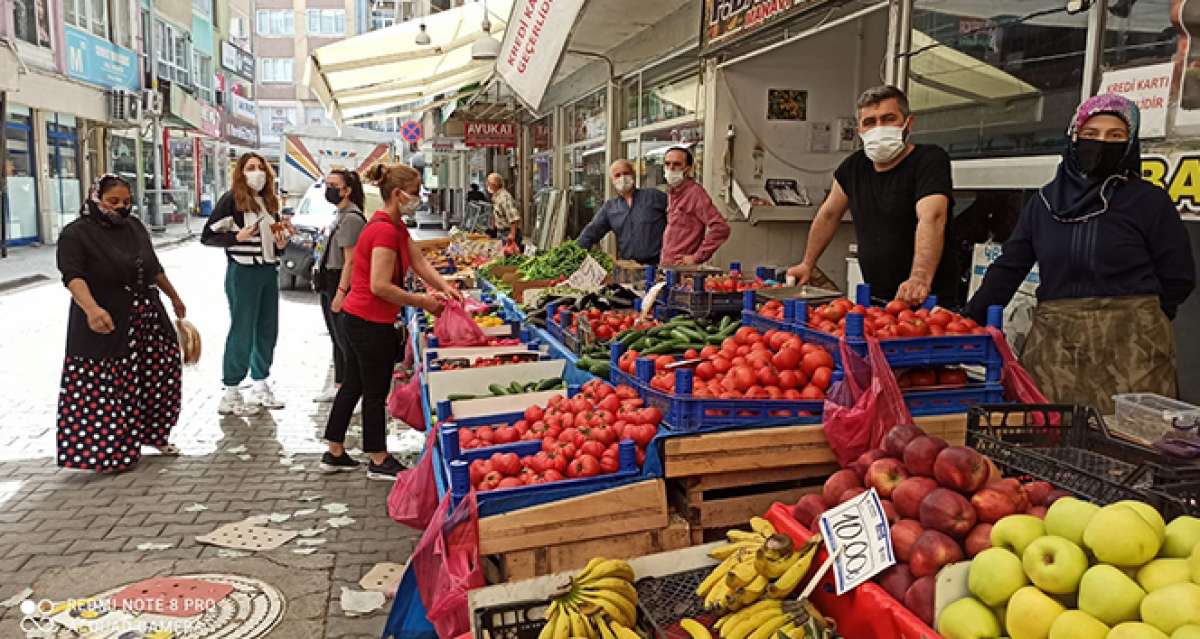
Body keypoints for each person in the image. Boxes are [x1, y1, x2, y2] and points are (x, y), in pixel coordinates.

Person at [965, 94, 1196, 413]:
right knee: (1053, 439)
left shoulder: (1149, 201)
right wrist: (966, 323)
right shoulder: (1044, 203)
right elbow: (1008, 270)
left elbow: (1179, 275)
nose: (1101, 143)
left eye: (1115, 136)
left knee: (1133, 444)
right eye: (1091, 134)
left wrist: (1144, 317)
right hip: (1057, 350)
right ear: (1073, 137)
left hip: (1134, 350)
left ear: (1130, 144)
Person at [320, 162, 464, 479]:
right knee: (373, 392)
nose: (418, 199)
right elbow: (380, 286)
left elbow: (418, 260)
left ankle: (334, 451)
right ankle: (378, 458)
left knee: (354, 385)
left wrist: (444, 287)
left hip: (357, 319)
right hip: (368, 322)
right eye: (414, 194)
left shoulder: (393, 225)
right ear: (398, 194)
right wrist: (422, 301)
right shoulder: (384, 230)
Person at [55, 174, 186, 472]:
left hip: (145, 314)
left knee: (161, 372)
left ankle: (154, 433)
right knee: (112, 383)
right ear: (95, 197)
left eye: (126, 202)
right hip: (106, 317)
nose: (120, 208)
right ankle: (112, 450)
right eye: (113, 201)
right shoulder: (76, 234)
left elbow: (153, 267)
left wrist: (174, 297)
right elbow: (72, 276)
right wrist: (91, 309)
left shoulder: (135, 227)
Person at [786, 85, 956, 305]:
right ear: (859, 130)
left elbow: (932, 216)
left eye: (888, 119)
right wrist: (807, 263)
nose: (879, 128)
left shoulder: (929, 160)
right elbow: (829, 214)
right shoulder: (853, 167)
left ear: (908, 124)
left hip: (928, 298)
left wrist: (919, 277)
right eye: (870, 122)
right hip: (878, 298)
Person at [202, 152, 293, 415]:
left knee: (267, 328)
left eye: (260, 167)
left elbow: (275, 242)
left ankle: (260, 383)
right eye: (251, 167)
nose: (257, 172)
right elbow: (208, 236)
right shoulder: (232, 200)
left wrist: (281, 245)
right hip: (243, 271)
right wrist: (236, 236)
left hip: (267, 270)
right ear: (241, 172)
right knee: (242, 329)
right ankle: (231, 390)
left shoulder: (269, 202)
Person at [313, 169, 367, 403]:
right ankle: (340, 384)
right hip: (328, 281)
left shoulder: (352, 218)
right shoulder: (338, 214)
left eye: (334, 185)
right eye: (327, 184)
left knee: (346, 338)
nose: (329, 189)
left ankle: (354, 390)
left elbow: (351, 260)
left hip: (339, 281)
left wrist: (342, 292)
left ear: (347, 190)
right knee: (336, 337)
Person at [577, 159, 669, 265]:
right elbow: (592, 232)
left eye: (626, 173)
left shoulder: (654, 197)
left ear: (633, 175)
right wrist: (575, 254)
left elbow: (678, 221)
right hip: (629, 267)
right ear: (612, 181)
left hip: (659, 265)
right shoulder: (610, 208)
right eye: (617, 175)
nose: (623, 178)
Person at [660, 147, 730, 265]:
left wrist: (696, 257)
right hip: (667, 267)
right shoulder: (673, 193)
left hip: (684, 271)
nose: (671, 168)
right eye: (667, 164)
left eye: (676, 164)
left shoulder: (695, 193)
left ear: (688, 169)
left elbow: (721, 228)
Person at [487, 173, 521, 243]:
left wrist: (512, 234)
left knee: (508, 253)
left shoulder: (504, 197)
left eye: (489, 183)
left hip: (507, 232)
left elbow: (513, 217)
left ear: (494, 184)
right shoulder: (496, 196)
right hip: (501, 232)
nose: (487, 185)